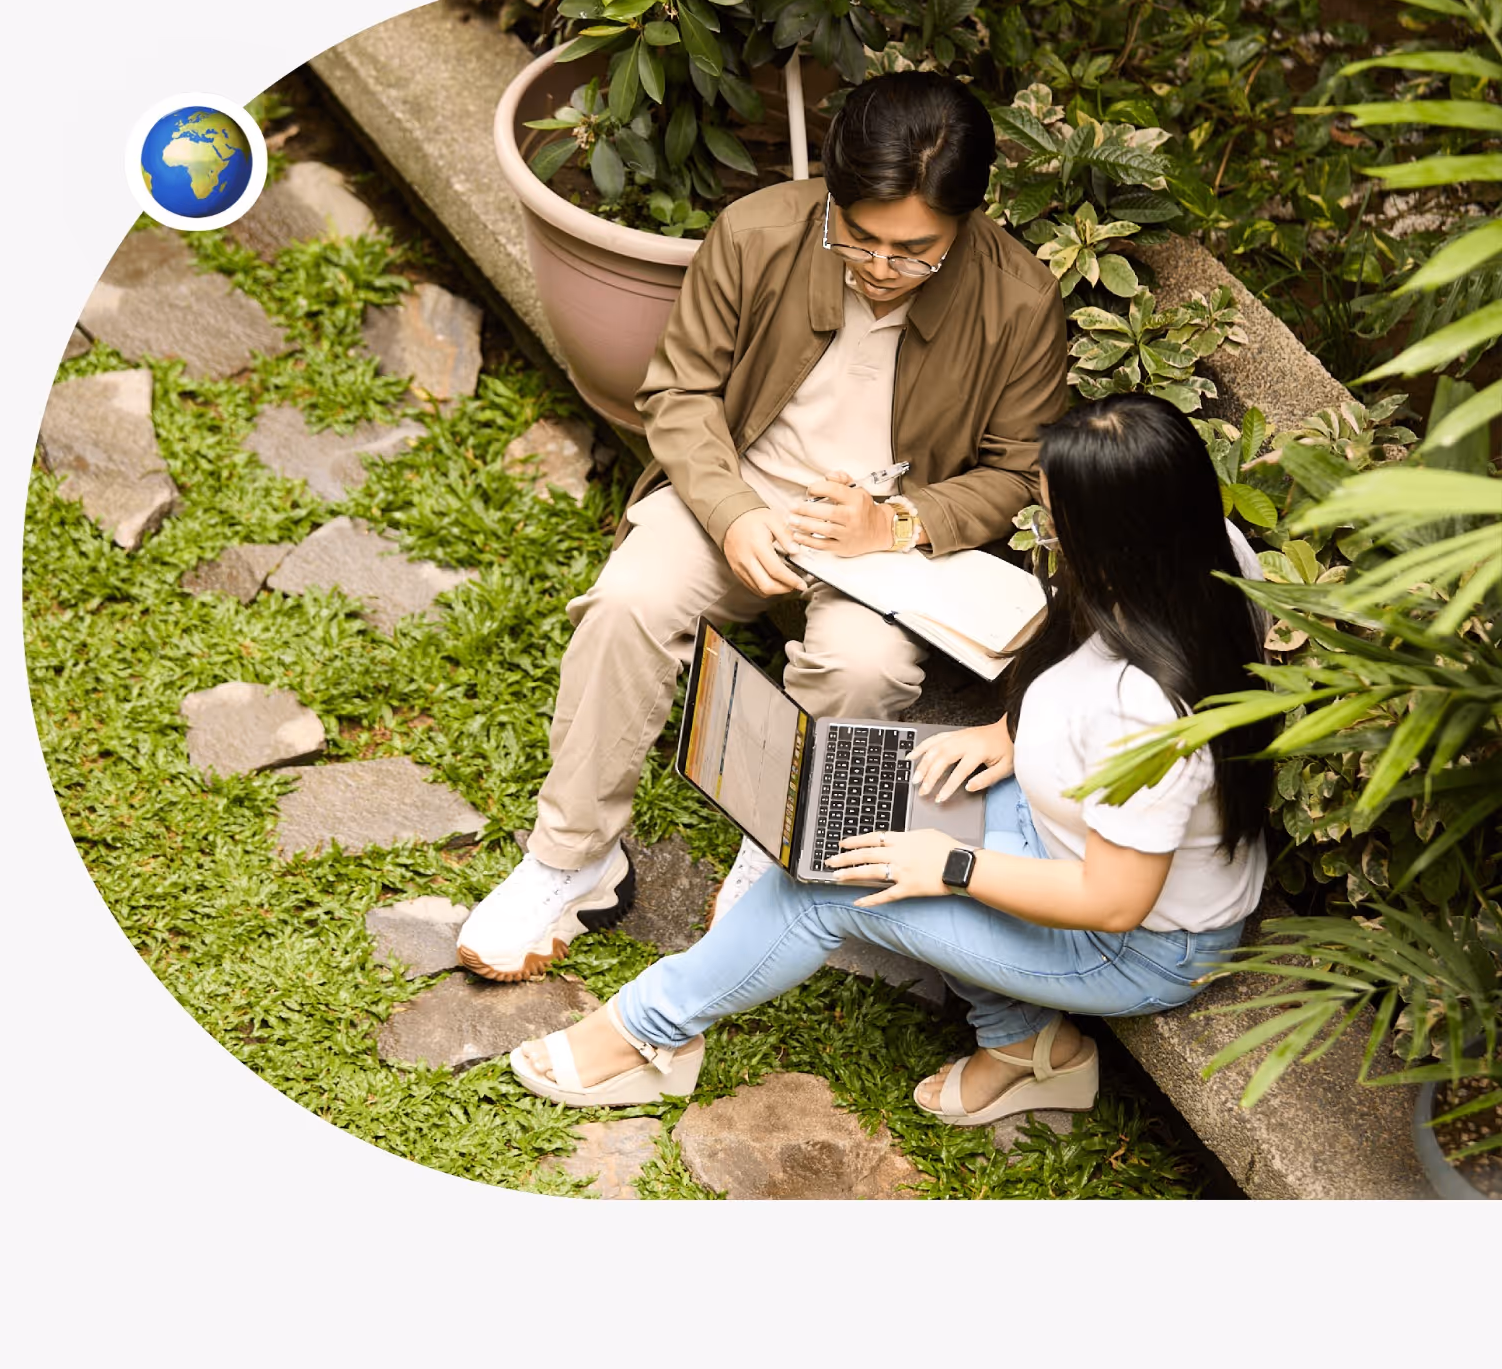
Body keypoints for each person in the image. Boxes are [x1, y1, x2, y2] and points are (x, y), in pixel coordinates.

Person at [507, 393, 1275, 1126]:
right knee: (857, 790)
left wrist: (953, 865)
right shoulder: (1205, 562)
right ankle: (1026, 1045)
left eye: (1056, 518)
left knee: (825, 882)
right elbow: (1084, 648)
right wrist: (1008, 735)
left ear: (1118, 542)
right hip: (1064, 834)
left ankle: (644, 1032)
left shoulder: (1144, 715)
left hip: (1129, 945)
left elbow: (1113, 901)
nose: (1044, 531)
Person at [456, 71, 1070, 981]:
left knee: (863, 668)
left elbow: (1020, 471)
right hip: (738, 490)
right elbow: (679, 389)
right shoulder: (757, 233)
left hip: (887, 551)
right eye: (859, 237)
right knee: (628, 600)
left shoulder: (1017, 302)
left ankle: (773, 850)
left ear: (968, 223)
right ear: (831, 193)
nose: (880, 268)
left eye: (915, 252)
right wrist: (733, 509)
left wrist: (899, 520)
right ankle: (570, 857)